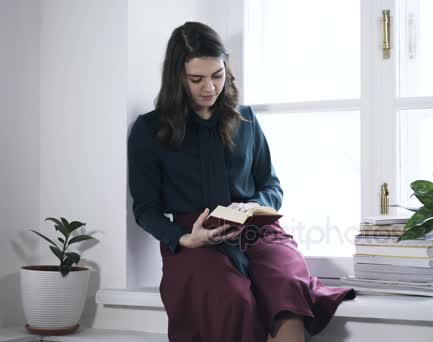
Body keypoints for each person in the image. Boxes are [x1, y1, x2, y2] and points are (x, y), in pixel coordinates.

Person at [127, 21, 355, 342]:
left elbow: (272, 186)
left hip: (256, 230)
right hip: (196, 238)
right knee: (231, 297)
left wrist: (255, 206)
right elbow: (145, 209)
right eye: (197, 79)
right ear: (177, 77)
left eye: (217, 75)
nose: (210, 87)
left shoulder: (245, 119)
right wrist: (183, 238)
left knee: (287, 285)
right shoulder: (149, 130)